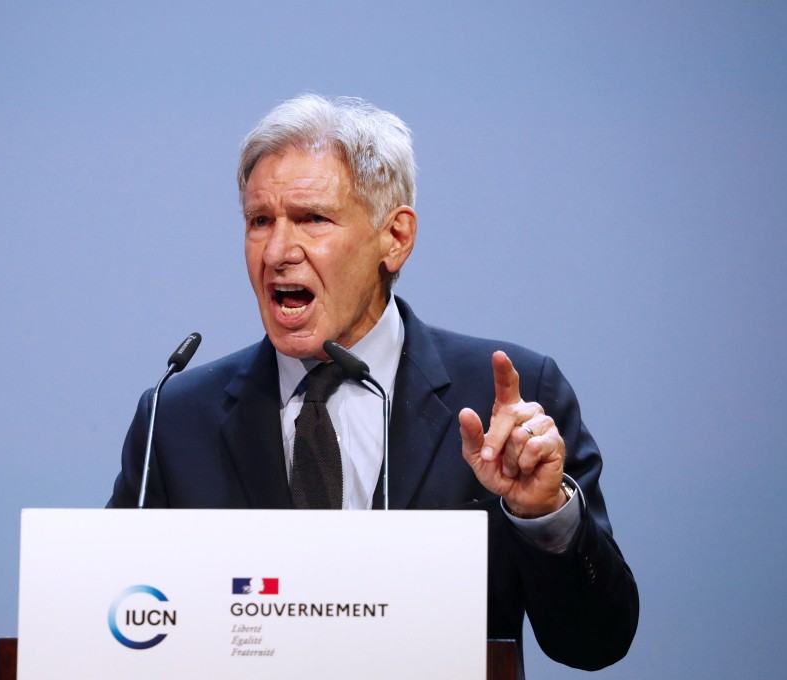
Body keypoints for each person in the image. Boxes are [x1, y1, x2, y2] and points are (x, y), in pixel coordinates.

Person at [108, 93, 638, 673]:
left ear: (396, 238)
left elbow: (595, 643)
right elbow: (112, 626)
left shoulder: (503, 400)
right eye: (260, 220)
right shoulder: (176, 418)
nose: (279, 251)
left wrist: (544, 517)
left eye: (312, 218)